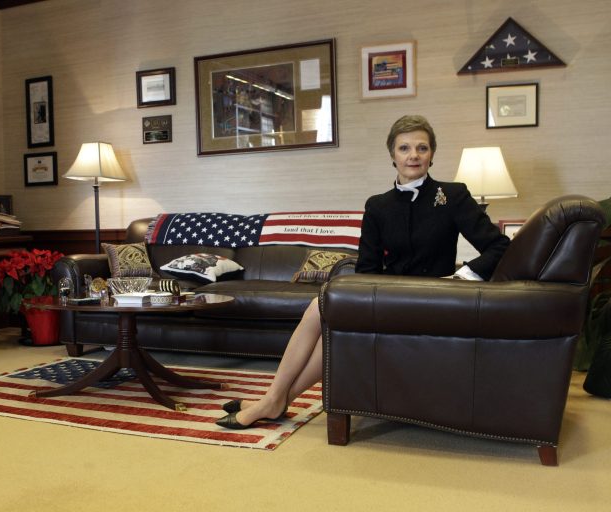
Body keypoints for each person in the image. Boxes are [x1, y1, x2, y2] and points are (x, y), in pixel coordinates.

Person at [216, 114, 511, 429]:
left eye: (422, 148)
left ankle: (273, 401)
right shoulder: (378, 206)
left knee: (320, 306)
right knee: (324, 310)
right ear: (392, 154)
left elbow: (500, 246)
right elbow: (367, 268)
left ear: (432, 154)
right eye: (404, 148)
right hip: (387, 297)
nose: (413, 155)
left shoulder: (453, 196)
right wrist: (364, 300)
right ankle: (274, 401)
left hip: (433, 300)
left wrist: (459, 278)